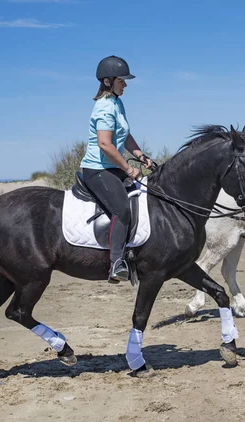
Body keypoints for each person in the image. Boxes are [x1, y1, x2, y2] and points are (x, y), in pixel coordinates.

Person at [80, 55, 153, 283]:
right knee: (122, 210)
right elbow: (104, 144)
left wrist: (139, 155)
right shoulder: (103, 107)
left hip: (112, 167)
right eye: (122, 80)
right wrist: (128, 168)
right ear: (108, 81)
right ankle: (116, 264)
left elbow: (125, 135)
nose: (126, 84)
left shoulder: (117, 103)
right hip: (97, 169)